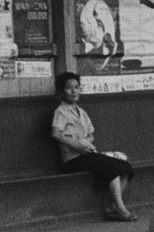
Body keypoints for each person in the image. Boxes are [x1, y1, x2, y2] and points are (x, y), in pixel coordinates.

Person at [51, 72, 137, 222]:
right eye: (69, 88)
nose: (74, 91)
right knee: (111, 168)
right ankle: (121, 209)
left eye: (77, 87)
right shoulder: (60, 112)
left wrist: (86, 142)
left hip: (88, 154)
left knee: (126, 167)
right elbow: (56, 134)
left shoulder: (82, 112)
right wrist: (77, 144)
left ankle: (111, 206)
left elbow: (91, 135)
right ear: (61, 92)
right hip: (73, 159)